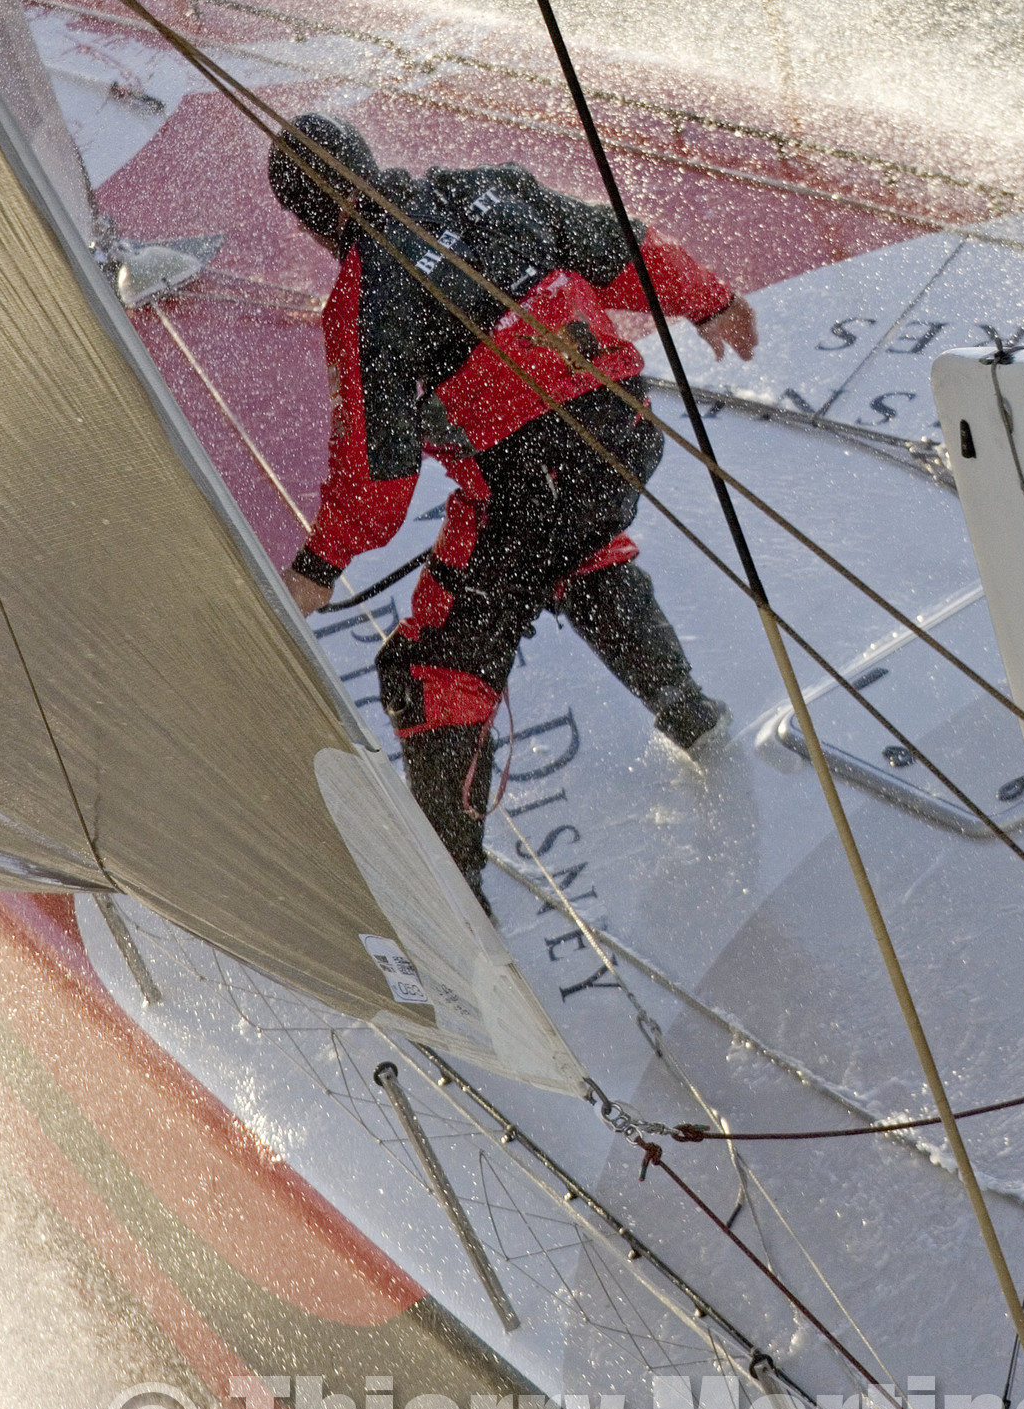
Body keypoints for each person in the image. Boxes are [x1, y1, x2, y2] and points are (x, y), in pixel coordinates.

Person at [269, 113, 757, 911]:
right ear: (368, 150)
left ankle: (456, 902)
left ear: (306, 222)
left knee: (431, 665)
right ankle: (692, 715)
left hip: (534, 479)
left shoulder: (364, 298)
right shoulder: (491, 187)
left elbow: (377, 479)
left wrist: (318, 567)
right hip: (623, 434)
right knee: (572, 551)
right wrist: (711, 301)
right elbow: (619, 246)